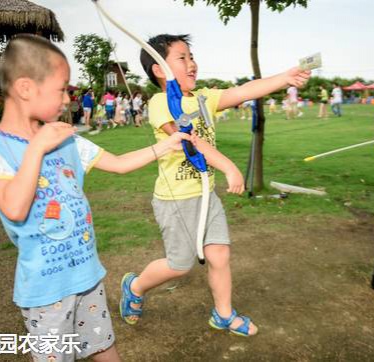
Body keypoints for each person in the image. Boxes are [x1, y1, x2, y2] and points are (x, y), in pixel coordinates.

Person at [0, 34, 191, 361]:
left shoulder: (65, 139)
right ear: (26, 88)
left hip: (87, 278)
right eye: (61, 89)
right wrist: (37, 148)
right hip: (45, 293)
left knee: (104, 348)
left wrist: (165, 146)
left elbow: (118, 164)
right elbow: (14, 207)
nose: (67, 99)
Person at [119, 33, 310, 337]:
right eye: (182, 58)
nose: (192, 63)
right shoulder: (159, 104)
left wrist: (285, 77)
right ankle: (135, 286)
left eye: (191, 57)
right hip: (176, 200)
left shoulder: (204, 97)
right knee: (179, 265)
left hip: (206, 195)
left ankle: (223, 314)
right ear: (159, 68)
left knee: (219, 255)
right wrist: (228, 166)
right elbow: (188, 142)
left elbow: (245, 90)